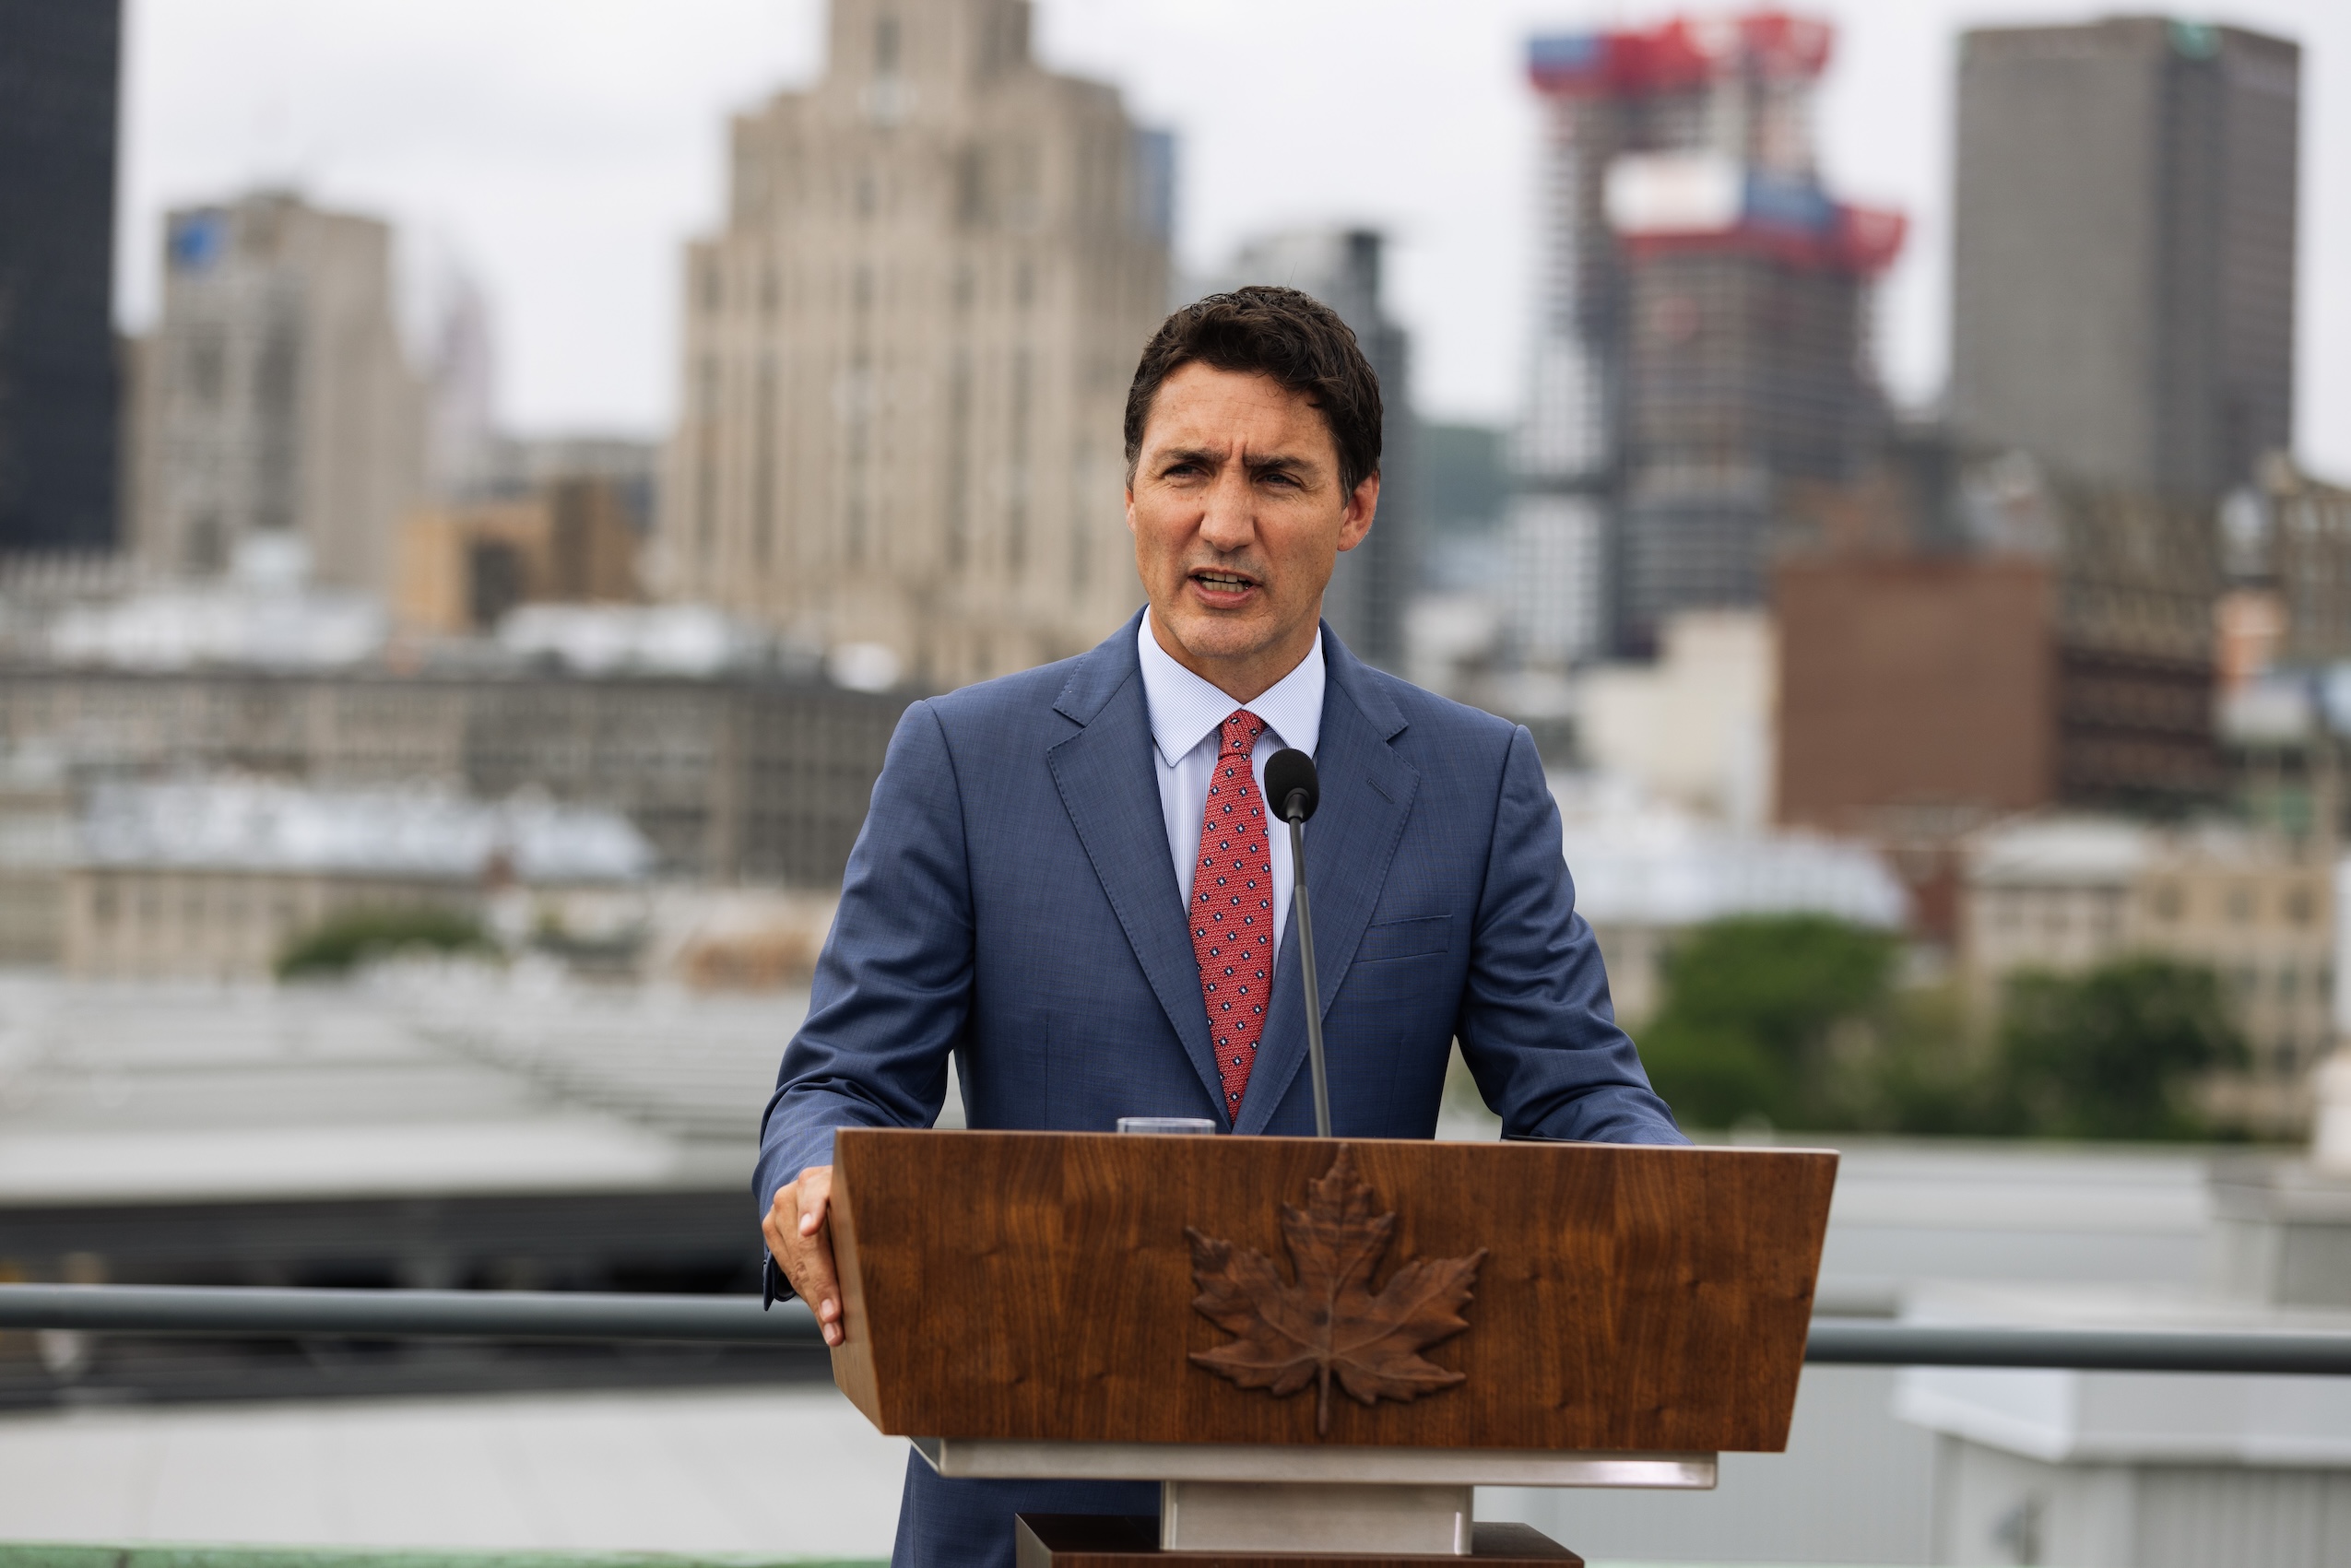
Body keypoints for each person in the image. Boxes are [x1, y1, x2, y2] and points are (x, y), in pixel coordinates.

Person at [757, 286, 1684, 1566]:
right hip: (1018, 1500)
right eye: (1186, 467)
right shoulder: (966, 759)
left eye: (1279, 477)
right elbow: (844, 1076)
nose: (1224, 521)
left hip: (1344, 1507)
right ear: (1130, 490)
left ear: (1356, 507)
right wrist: (812, 1179)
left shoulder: (1474, 782)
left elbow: (1579, 1091)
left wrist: (1672, 1200)